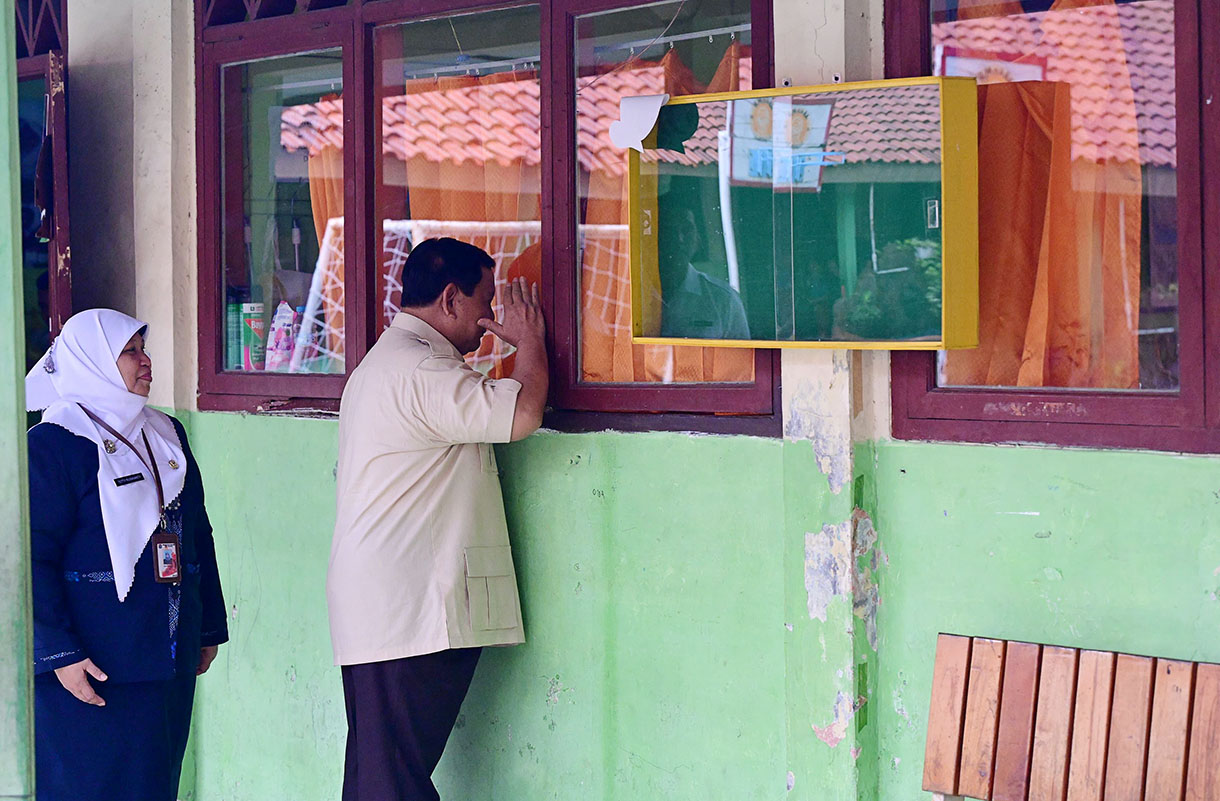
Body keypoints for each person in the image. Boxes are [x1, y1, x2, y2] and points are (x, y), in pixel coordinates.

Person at [327, 237, 547, 801]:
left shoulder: (392, 363)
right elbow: (522, 413)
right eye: (486, 303)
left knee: (382, 774)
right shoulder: (419, 369)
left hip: (389, 606)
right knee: (391, 780)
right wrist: (530, 343)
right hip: (406, 610)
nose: (490, 320)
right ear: (450, 299)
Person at [25, 308, 228, 801]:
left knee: (154, 787)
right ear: (92, 361)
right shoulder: (53, 444)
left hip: (165, 660)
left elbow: (197, 531)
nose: (147, 362)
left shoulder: (167, 434)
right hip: (90, 670)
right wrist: (58, 653)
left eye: (144, 348)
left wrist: (206, 627)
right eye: (131, 352)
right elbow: (29, 558)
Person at [657, 204, 751, 340]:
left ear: (698, 240)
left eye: (686, 230)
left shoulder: (724, 301)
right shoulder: (633, 292)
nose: (679, 239)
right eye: (669, 230)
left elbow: (741, 358)